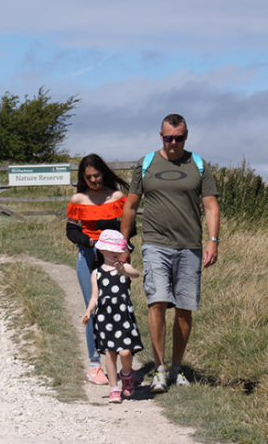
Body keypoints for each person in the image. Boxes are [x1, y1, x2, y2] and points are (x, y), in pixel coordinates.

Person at [119, 113, 220, 393]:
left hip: (190, 245)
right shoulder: (146, 164)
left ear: (186, 136)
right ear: (160, 135)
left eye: (178, 137)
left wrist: (213, 241)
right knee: (158, 302)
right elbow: (130, 206)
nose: (173, 142)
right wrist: (123, 244)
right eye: (168, 137)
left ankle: (177, 368)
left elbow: (211, 206)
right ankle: (159, 369)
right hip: (155, 243)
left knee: (185, 309)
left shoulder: (198, 165)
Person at [66, 154, 131, 385]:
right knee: (92, 307)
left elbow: (128, 227)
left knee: (117, 306)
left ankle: (123, 364)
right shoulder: (78, 199)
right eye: (89, 177)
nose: (94, 180)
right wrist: (89, 242)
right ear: (83, 178)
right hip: (88, 257)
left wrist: (124, 249)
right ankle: (95, 365)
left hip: (115, 258)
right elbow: (71, 231)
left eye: (97, 175)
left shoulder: (117, 197)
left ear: (104, 172)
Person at [82, 229, 143, 404]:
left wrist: (124, 271)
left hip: (123, 317)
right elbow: (95, 297)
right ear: (101, 250)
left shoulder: (124, 268)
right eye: (110, 250)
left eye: (118, 250)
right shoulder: (97, 273)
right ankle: (114, 388)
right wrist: (88, 311)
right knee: (110, 353)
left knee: (125, 351)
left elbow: (136, 274)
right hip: (105, 318)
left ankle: (126, 374)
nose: (114, 254)